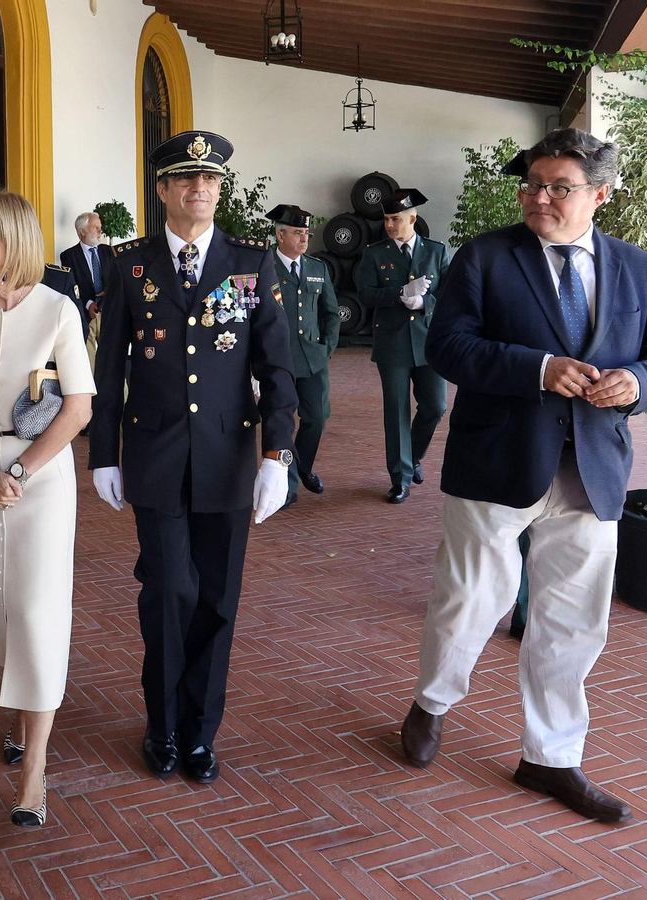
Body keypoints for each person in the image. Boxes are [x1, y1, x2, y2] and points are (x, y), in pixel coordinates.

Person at [400, 128, 647, 824]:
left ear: (601, 195)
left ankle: (551, 757)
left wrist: (637, 384)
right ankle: (433, 701)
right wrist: (537, 369)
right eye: (532, 184)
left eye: (560, 187)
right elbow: (447, 347)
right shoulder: (484, 257)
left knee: (574, 619)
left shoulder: (638, 269)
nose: (539, 197)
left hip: (592, 470)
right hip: (499, 461)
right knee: (470, 599)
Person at [90, 130, 297, 785]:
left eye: (210, 179)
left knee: (217, 601)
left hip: (227, 459)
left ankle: (200, 734)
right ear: (163, 189)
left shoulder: (249, 263)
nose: (200, 188)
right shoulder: (131, 265)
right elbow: (109, 367)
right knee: (169, 592)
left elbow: (276, 367)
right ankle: (162, 725)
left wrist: (277, 453)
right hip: (154, 457)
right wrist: (103, 453)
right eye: (186, 178)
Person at [0, 191, 95, 828]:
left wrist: (20, 471)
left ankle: (35, 769)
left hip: (42, 480)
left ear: (10, 242)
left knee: (36, 610)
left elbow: (78, 408)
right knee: (0, 605)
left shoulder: (58, 310)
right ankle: (20, 714)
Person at [357, 189, 448, 504]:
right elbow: (365, 293)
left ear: (413, 219)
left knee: (436, 407)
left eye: (395, 219)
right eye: (386, 219)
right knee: (396, 412)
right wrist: (400, 292)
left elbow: (452, 294)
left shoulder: (436, 252)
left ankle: (414, 456)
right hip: (392, 343)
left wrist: (425, 302)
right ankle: (400, 479)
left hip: (428, 342)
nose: (389, 225)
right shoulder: (374, 254)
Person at [265, 204, 339, 505]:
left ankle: (302, 467)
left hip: (313, 358)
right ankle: (288, 486)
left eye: (307, 233)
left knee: (317, 418)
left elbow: (331, 313)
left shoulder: (317, 268)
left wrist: (327, 347)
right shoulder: (264, 267)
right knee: (282, 422)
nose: (304, 238)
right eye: (298, 233)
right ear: (280, 235)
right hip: (277, 359)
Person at [60, 212, 114, 341]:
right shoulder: (69, 256)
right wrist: (88, 304)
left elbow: (116, 278)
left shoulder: (109, 251)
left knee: (109, 351)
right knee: (88, 352)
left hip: (108, 312)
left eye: (100, 227)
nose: (100, 231)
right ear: (82, 231)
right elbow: (72, 286)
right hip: (85, 315)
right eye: (95, 227)